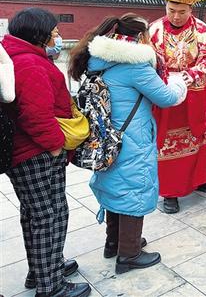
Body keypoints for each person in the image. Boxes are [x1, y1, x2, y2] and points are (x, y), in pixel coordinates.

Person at [68, 14, 187, 274]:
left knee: (115, 187)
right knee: (134, 188)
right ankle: (129, 254)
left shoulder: (97, 61)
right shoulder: (135, 66)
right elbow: (167, 98)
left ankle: (114, 243)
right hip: (132, 139)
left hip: (106, 139)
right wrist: (180, 83)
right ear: (139, 37)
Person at [1, 8, 90, 297]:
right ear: (39, 35)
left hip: (28, 151)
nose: (57, 38)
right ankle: (50, 286)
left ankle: (43, 270)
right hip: (35, 152)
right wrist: (54, 145)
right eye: (54, 33)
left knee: (38, 214)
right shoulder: (30, 64)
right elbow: (34, 115)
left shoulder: (21, 56)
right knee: (47, 216)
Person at [140, 0, 206, 214]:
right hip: (166, 93)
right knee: (167, 139)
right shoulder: (154, 30)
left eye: (182, 11)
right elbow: (147, 59)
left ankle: (199, 179)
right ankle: (170, 191)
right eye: (171, 10)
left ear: (190, 9)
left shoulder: (203, 30)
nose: (176, 16)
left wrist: (191, 74)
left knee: (198, 134)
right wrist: (166, 77)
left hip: (195, 92)